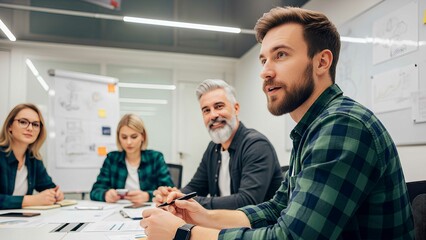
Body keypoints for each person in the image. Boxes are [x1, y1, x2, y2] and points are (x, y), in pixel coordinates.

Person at [140, 7, 414, 239]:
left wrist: (184, 232)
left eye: (280, 55)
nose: (265, 72)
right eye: (263, 59)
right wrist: (204, 216)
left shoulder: (342, 125)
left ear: (322, 62)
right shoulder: (311, 128)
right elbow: (276, 208)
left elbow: (289, 236)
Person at [153, 79, 283, 210]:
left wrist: (186, 201)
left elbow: (247, 201)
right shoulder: (213, 147)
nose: (213, 115)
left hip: (259, 227)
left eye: (219, 106)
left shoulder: (256, 145)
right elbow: (195, 187)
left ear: (236, 108)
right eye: (206, 110)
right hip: (225, 223)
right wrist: (172, 196)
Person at [90, 114, 174, 205]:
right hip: (116, 212)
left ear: (143, 136)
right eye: (124, 137)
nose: (129, 142)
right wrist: (105, 195)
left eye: (134, 137)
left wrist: (147, 196)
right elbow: (95, 191)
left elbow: (169, 191)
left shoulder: (155, 158)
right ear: (119, 138)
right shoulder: (111, 159)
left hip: (149, 211)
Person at [0, 103, 64, 210]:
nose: (30, 128)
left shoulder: (33, 159)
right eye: (23, 122)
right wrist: (31, 200)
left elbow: (49, 187)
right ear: (10, 126)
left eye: (35, 124)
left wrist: (56, 194)